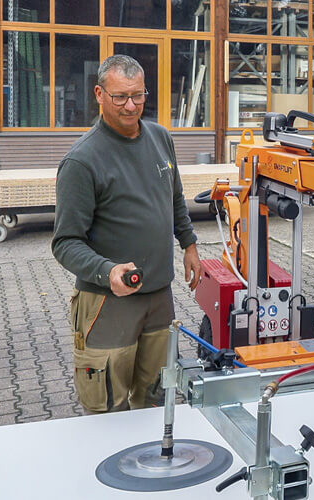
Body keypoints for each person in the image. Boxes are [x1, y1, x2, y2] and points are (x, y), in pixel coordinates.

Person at [52, 54, 202, 413]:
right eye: (120, 97)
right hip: (108, 302)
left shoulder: (160, 137)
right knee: (108, 406)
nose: (131, 105)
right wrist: (108, 271)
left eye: (138, 95)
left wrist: (190, 244)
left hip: (158, 298)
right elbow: (65, 242)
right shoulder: (82, 161)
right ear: (99, 94)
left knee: (154, 397)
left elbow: (174, 198)